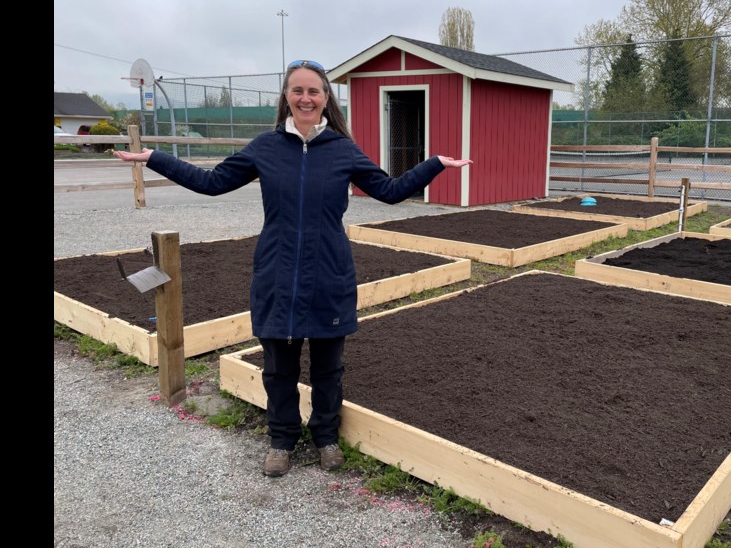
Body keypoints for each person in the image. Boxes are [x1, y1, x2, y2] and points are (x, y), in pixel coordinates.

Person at [114, 60, 472, 477]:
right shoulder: (265, 148)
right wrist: (155, 157)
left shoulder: (342, 149)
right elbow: (211, 182)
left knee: (328, 366)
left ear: (325, 99)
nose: (306, 98)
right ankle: (281, 439)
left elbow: (389, 191)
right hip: (277, 274)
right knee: (278, 367)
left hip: (329, 274)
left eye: (314, 91)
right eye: (297, 90)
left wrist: (432, 165)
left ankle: (325, 437)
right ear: (286, 97)